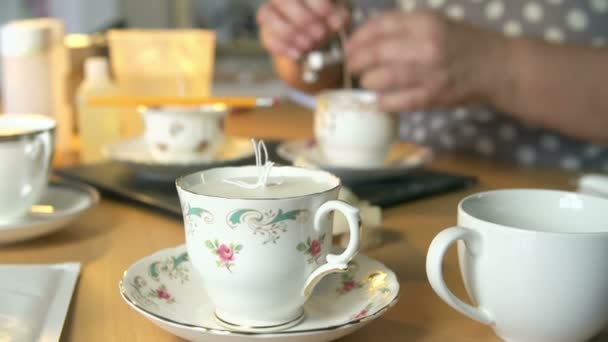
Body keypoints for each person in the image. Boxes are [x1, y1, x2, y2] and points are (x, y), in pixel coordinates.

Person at [256, 0, 608, 171]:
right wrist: (299, 41)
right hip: (405, 192)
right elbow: (333, 76)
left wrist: (500, 66)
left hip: (576, 221)